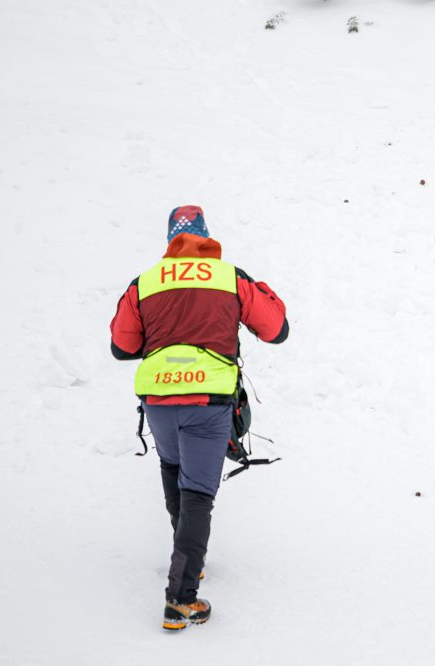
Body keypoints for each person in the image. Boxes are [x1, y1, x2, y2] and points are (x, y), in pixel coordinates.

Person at [110, 205, 288, 630]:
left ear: (171, 240)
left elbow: (121, 345)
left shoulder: (146, 281)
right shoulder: (229, 277)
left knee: (173, 469)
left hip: (158, 398)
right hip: (207, 399)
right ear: (207, 238)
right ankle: (181, 599)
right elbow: (275, 329)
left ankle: (187, 559)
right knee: (198, 493)